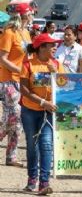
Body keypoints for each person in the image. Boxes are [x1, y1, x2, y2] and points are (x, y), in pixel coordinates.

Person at [20, 33, 64, 195]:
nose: (55, 47)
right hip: (30, 111)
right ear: (41, 48)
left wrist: (56, 75)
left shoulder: (57, 65)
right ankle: (32, 178)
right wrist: (42, 102)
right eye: (51, 45)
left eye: (55, 45)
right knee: (32, 146)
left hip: (48, 112)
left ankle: (43, 183)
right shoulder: (28, 65)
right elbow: (24, 89)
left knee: (46, 145)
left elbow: (65, 88)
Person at [0, 15, 26, 167]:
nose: (33, 14)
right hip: (8, 79)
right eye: (30, 12)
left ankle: (11, 156)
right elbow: (2, 58)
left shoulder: (25, 33)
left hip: (20, 80)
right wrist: (19, 70)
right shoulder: (9, 32)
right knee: (14, 114)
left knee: (17, 120)